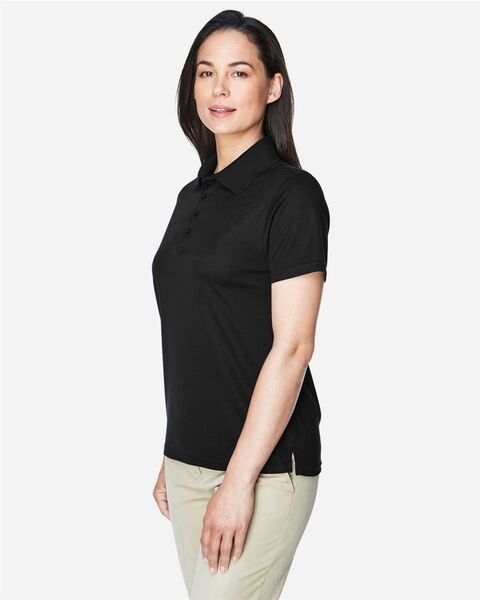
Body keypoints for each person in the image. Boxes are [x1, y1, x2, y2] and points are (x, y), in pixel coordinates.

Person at [151, 9, 330, 599]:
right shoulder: (191, 196)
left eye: (239, 72)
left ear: (273, 86)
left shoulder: (292, 195)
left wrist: (238, 481)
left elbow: (293, 347)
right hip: (188, 463)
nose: (219, 89)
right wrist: (174, 453)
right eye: (206, 73)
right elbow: (200, 333)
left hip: (264, 470)